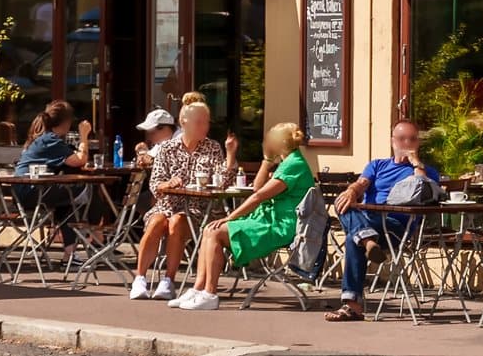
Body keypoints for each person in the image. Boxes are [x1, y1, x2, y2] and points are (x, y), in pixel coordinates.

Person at [171, 122, 314, 311]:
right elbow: (257, 187)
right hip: (268, 220)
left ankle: (210, 293)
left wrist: (230, 218)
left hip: (281, 226)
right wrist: (266, 161)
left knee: (215, 232)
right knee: (209, 229)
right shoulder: (287, 162)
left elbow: (258, 196)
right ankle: (198, 289)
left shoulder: (294, 165)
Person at [323, 119, 443, 322]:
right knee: (342, 202)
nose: (407, 143)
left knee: (354, 237)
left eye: (412, 139)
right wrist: (352, 191)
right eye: (402, 138)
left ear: (418, 143)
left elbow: (423, 193)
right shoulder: (378, 165)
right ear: (392, 141)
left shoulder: (427, 171)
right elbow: (362, 183)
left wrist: (416, 164)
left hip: (396, 229)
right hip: (370, 222)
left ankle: (353, 306)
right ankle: (367, 240)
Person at [130, 102, 237, 302]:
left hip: (198, 210)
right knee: (156, 221)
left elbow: (222, 183)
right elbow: (155, 184)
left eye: (206, 122)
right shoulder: (167, 148)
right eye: (199, 122)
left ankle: (168, 281)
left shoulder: (212, 147)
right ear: (184, 123)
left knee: (177, 222)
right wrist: (168, 183)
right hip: (167, 204)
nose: (204, 127)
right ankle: (140, 279)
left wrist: (230, 154)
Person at [13, 101, 91, 224]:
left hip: (24, 191)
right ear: (65, 122)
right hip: (31, 191)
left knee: (69, 193)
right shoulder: (50, 140)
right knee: (85, 189)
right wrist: (84, 136)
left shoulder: (45, 137)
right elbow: (80, 160)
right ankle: (98, 234)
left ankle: (73, 241)